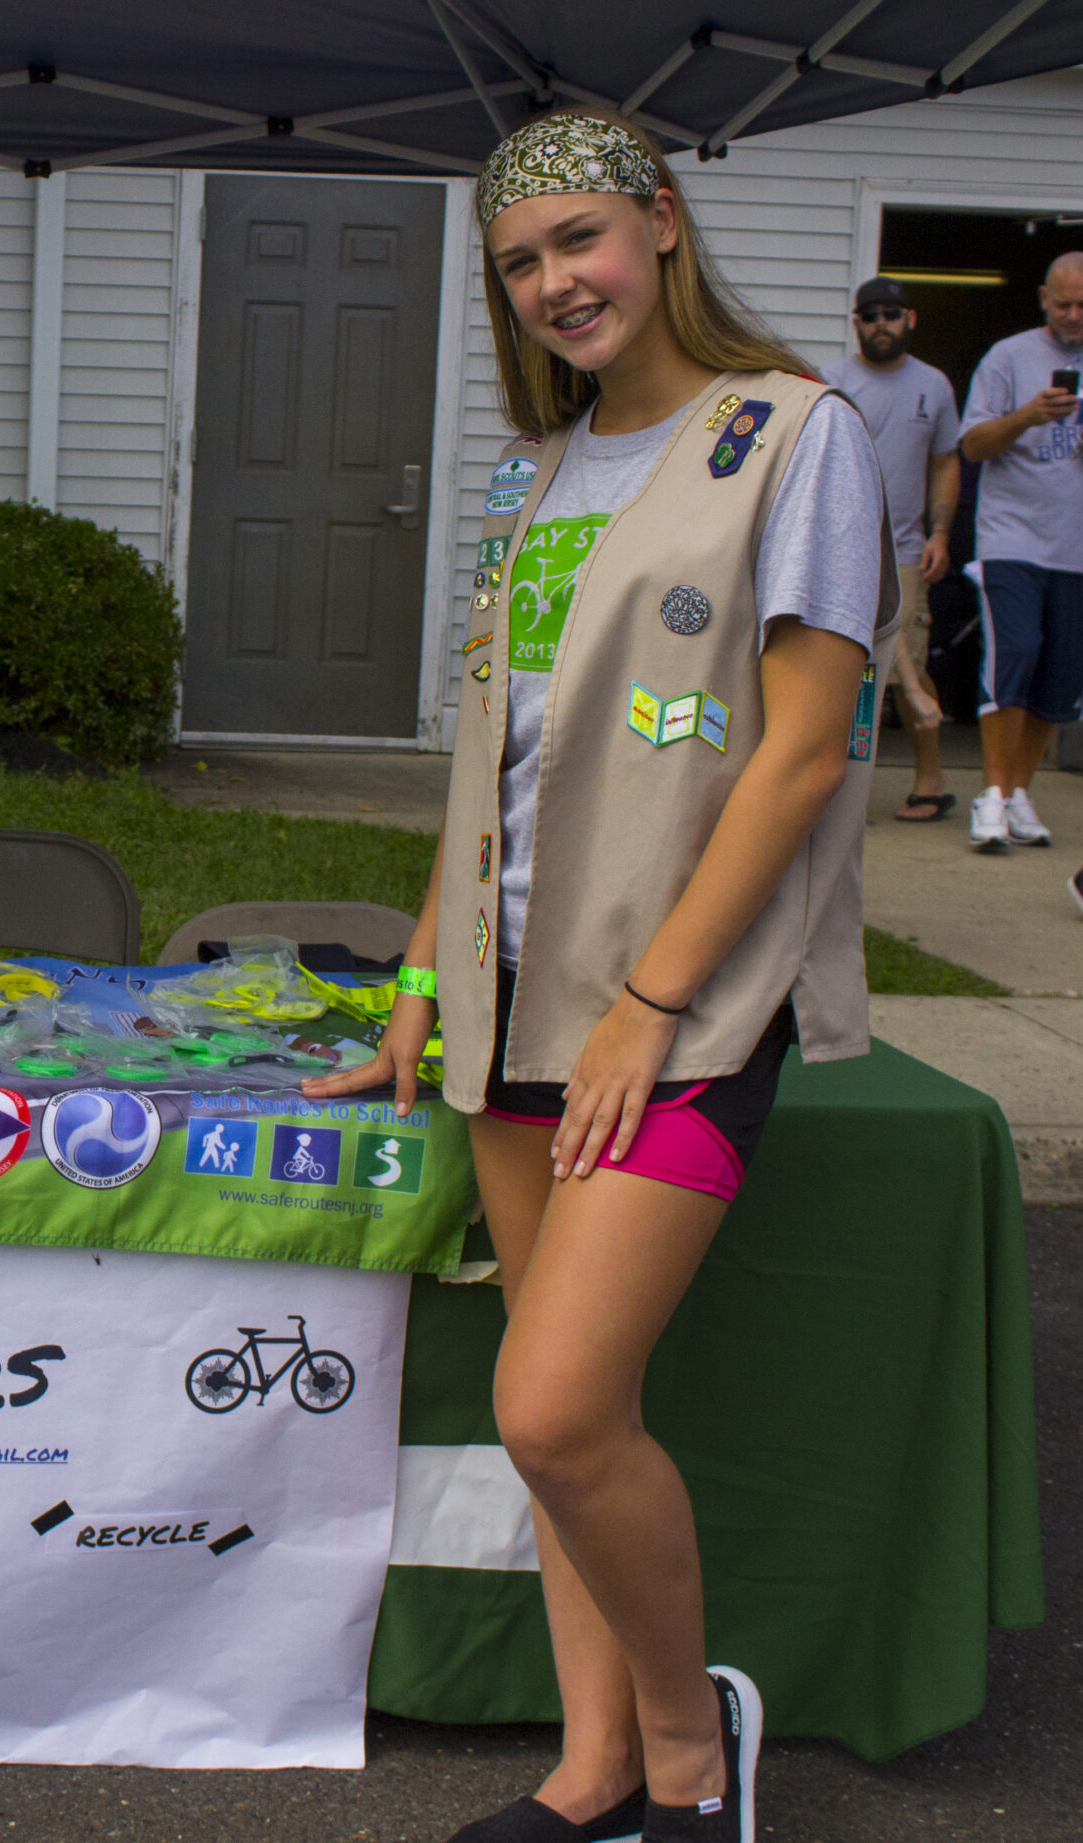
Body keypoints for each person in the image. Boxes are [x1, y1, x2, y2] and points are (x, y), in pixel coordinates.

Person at [308, 109, 891, 1843]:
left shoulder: (798, 438)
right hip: (508, 1004)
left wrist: (650, 999)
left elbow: (797, 757)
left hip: (683, 1009)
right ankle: (593, 1780)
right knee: (575, 1420)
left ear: (661, 229)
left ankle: (695, 1758)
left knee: (556, 1412)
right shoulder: (529, 476)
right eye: (520, 262)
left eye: (579, 240)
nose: (555, 282)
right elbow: (486, 767)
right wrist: (419, 981)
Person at [957, 252, 1083, 849]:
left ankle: (1020, 792)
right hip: (1013, 538)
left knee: (1058, 678)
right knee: (1016, 654)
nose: (1074, 314)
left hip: (1076, 547)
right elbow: (974, 445)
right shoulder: (1008, 357)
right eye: (1064, 303)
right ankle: (992, 796)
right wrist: (1029, 414)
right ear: (1042, 297)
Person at [830, 276, 961, 820]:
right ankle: (830, 788)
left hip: (906, 549)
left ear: (910, 320)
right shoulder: (829, 381)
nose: (881, 323)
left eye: (892, 313)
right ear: (856, 322)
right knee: (838, 666)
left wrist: (940, 533)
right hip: (839, 545)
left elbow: (946, 460)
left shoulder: (934, 385)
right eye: (870, 314)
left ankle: (929, 780)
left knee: (909, 658)